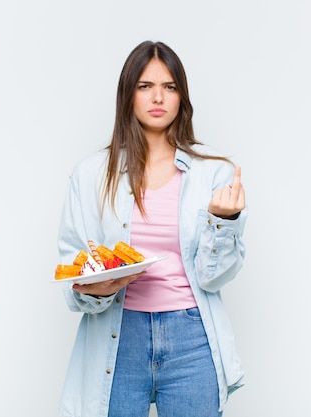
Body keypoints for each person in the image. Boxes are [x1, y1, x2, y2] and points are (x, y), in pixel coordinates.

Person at [56, 40, 247, 417]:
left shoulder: (216, 174)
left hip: (191, 338)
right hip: (118, 333)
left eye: (169, 87)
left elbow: (214, 278)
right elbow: (72, 275)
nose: (157, 97)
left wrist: (222, 222)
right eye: (145, 86)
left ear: (181, 98)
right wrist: (94, 289)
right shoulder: (91, 174)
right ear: (129, 94)